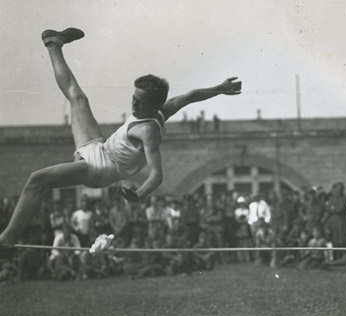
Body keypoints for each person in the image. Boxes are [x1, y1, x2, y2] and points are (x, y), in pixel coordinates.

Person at [0, 27, 242, 258]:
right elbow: (189, 97)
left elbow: (157, 175)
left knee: (36, 180)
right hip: (99, 148)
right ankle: (54, 43)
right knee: (78, 98)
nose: (134, 105)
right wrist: (219, 89)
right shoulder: (161, 111)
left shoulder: (149, 132)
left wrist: (137, 195)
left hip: (103, 169)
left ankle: (5, 241)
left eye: (140, 102)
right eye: (134, 98)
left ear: (154, 105)